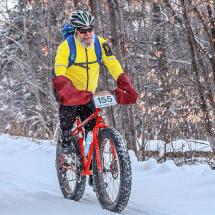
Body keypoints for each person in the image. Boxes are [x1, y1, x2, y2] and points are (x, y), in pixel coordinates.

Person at [52, 10, 138, 153]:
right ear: (75, 30)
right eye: (83, 31)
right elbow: (59, 69)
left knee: (91, 128)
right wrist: (65, 89)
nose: (87, 34)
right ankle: (65, 141)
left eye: (90, 29)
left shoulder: (99, 43)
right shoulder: (66, 47)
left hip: (88, 93)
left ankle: (92, 168)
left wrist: (124, 82)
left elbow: (112, 62)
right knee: (68, 114)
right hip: (68, 90)